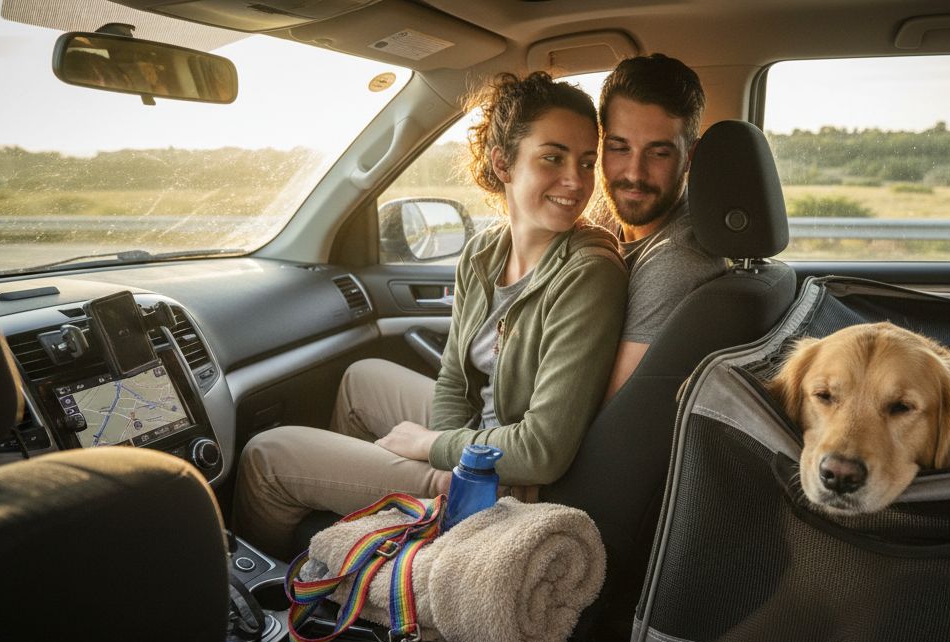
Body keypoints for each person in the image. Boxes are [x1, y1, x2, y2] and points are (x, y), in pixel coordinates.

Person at [233, 72, 627, 557]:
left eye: (587, 162)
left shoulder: (588, 272)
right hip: (478, 441)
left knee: (266, 457)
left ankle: (270, 608)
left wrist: (433, 450)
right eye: (553, 157)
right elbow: (453, 379)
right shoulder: (484, 251)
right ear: (503, 163)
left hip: (510, 482)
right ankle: (365, 546)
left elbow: (541, 452)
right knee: (362, 377)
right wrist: (444, 440)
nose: (576, 180)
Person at [597, 54, 727, 399]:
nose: (635, 173)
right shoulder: (607, 223)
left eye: (659, 153)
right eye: (619, 147)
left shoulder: (676, 261)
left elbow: (610, 414)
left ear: (690, 157)